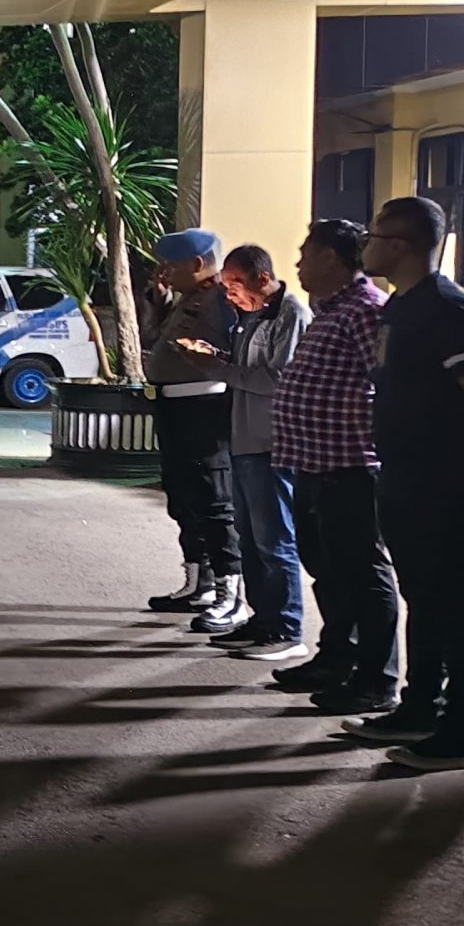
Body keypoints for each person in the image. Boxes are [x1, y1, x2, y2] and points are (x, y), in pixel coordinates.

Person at [350, 195, 464, 773]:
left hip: (445, 481)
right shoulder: (401, 307)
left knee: (455, 604)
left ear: (400, 246)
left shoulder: (448, 308)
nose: (365, 243)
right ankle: (421, 708)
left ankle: (463, 734)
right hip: (404, 474)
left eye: (374, 235)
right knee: (424, 599)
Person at [264, 220, 401, 713]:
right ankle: (337, 659)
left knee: (363, 571)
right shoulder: (330, 312)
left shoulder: (365, 311)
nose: (297, 264)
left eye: (306, 254)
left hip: (351, 466)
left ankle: (376, 678)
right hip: (313, 464)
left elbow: (388, 385)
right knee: (329, 571)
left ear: (332, 258)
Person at [179, 244, 310, 655]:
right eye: (227, 285)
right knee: (250, 540)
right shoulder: (250, 317)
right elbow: (242, 369)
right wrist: (212, 356)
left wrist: (218, 369)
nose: (229, 292)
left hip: (272, 441)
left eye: (236, 283)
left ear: (263, 278)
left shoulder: (291, 314)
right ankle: (262, 619)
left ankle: (286, 628)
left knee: (275, 540)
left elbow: (276, 379)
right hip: (242, 439)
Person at [143, 228, 242, 621]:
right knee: (182, 496)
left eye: (172, 264)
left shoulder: (224, 299)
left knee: (213, 501)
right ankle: (197, 582)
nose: (165, 271)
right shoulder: (186, 300)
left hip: (204, 409)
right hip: (174, 409)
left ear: (198, 264)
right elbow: (155, 340)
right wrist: (158, 303)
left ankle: (228, 590)